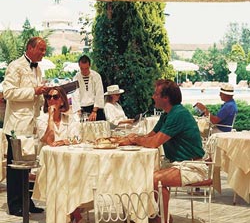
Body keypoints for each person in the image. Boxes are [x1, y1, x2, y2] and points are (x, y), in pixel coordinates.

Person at [119, 79, 206, 223]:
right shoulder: (167, 114)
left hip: (192, 166)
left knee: (154, 179)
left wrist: (134, 139)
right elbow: (149, 136)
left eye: (156, 94)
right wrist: (131, 138)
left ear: (166, 98)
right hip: (176, 164)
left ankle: (163, 219)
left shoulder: (178, 114)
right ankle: (156, 216)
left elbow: (153, 143)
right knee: (141, 174)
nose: (153, 96)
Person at [2, 37, 49, 216]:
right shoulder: (15, 66)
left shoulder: (38, 69)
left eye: (45, 50)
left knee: (28, 166)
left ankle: (26, 201)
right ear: (30, 48)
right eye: (41, 50)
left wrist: (44, 93)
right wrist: (33, 91)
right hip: (17, 125)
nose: (44, 53)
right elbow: (8, 92)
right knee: (15, 168)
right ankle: (15, 205)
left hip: (31, 125)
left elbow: (36, 96)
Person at [71, 55, 105, 121]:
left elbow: (99, 93)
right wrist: (78, 111)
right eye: (82, 69)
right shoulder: (76, 78)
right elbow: (75, 95)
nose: (84, 71)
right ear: (79, 66)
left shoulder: (96, 76)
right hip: (82, 109)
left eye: (86, 68)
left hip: (96, 108)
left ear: (89, 66)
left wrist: (94, 111)